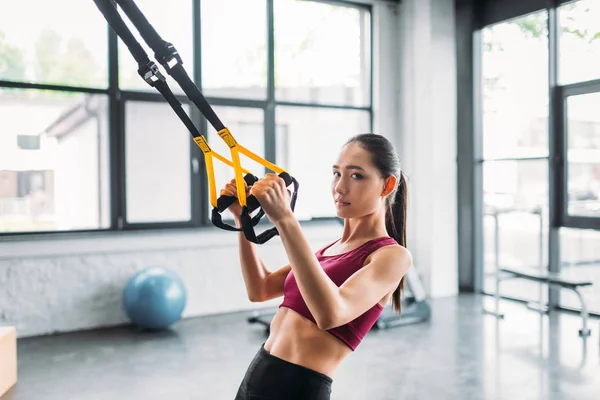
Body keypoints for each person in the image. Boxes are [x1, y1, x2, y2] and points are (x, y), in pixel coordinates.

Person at [224, 133, 413, 400]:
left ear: (387, 185)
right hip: (256, 378)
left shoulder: (391, 256)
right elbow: (260, 289)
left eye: (356, 175)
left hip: (298, 390)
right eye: (336, 174)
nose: (340, 187)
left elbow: (331, 314)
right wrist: (242, 219)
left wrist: (285, 219)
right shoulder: (329, 250)